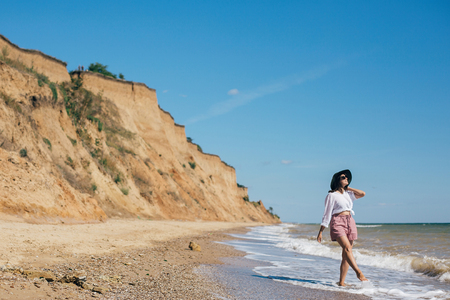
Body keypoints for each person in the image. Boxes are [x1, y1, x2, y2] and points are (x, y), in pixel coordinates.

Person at [316, 169, 368, 286]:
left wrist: (348, 188)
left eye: (347, 178)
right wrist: (321, 231)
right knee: (347, 248)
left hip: (350, 221)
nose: (346, 179)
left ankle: (341, 282)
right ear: (337, 180)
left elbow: (363, 193)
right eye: (343, 177)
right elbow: (327, 213)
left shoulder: (348, 194)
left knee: (346, 254)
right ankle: (359, 273)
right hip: (337, 221)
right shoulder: (331, 195)